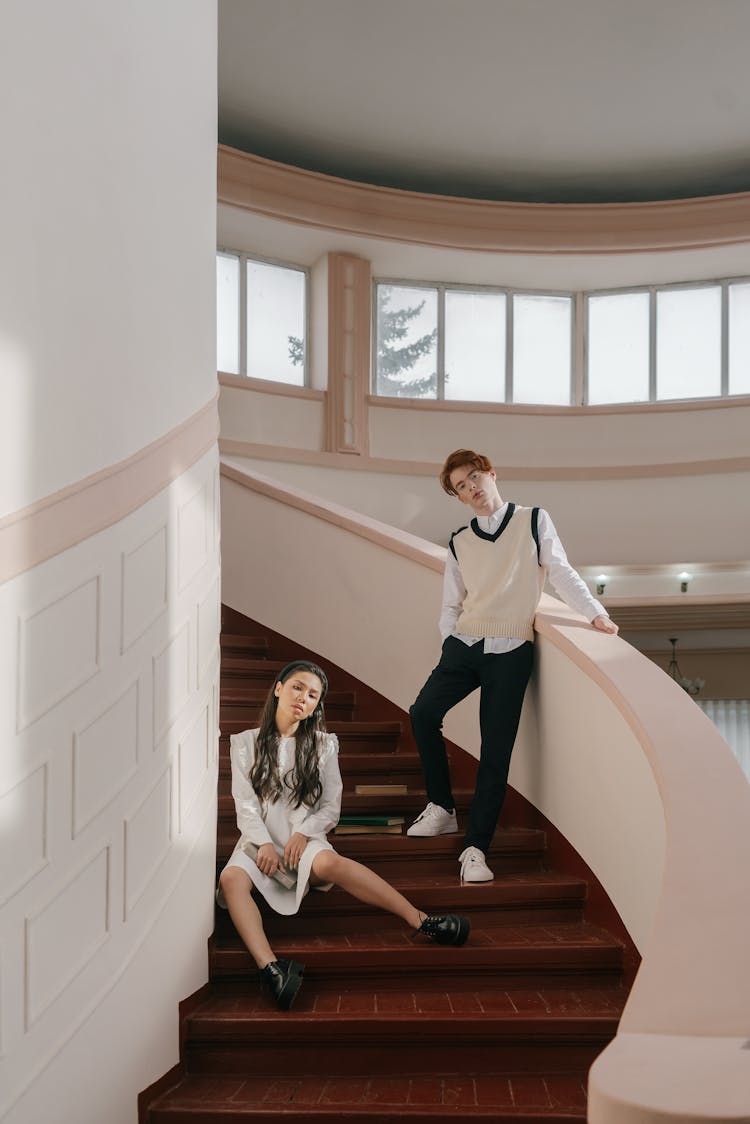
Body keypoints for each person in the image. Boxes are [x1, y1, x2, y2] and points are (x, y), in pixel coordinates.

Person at [407, 449, 619, 884]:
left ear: (490, 473)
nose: (472, 489)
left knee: (495, 751)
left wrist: (594, 613)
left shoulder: (533, 520)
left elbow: (560, 572)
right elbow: (451, 602)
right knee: (422, 713)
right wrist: (451, 642)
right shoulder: (459, 541)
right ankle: (443, 808)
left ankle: (475, 848)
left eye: (474, 478)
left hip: (511, 650)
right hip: (465, 645)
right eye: (462, 488)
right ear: (460, 498)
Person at [218, 659, 470, 1010]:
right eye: (296, 687)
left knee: (331, 864)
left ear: (316, 706)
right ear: (278, 688)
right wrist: (262, 843)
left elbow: (330, 807)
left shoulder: (324, 745)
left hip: (303, 839)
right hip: (257, 838)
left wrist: (304, 834)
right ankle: (272, 969)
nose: (302, 698)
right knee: (231, 880)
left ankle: (422, 920)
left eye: (312, 695)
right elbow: (244, 802)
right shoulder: (244, 742)